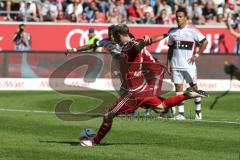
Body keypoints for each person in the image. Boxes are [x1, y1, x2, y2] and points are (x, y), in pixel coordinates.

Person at [80, 24, 209, 147]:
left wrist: (144, 42)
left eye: (114, 37)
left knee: (108, 115)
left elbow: (138, 46)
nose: (113, 40)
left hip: (133, 93)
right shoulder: (128, 45)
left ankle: (94, 142)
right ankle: (187, 94)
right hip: (142, 88)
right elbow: (141, 44)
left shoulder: (131, 46)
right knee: (160, 107)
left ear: (120, 35)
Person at [167, 8, 208, 120]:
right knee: (178, 89)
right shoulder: (172, 32)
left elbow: (205, 42)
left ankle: (198, 112)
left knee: (194, 88)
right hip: (176, 65)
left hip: (188, 65)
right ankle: (181, 114)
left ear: (185, 18)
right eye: (177, 16)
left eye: (180, 16)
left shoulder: (192, 31)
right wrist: (168, 63)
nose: (178, 19)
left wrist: (197, 55)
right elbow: (170, 49)